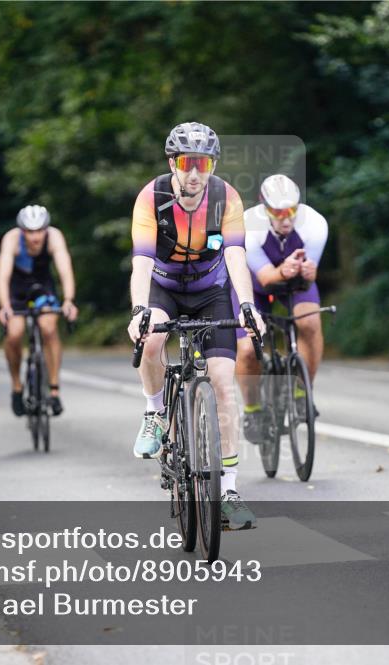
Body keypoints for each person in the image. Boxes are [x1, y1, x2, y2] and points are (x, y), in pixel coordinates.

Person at [127, 122, 264, 530]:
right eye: (187, 163)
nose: (194, 173)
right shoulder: (152, 198)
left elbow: (237, 257)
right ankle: (154, 413)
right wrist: (139, 310)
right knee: (151, 341)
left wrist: (247, 306)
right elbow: (142, 262)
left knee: (223, 383)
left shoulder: (226, 197)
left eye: (203, 164)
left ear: (212, 165)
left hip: (211, 290)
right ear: (173, 162)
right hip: (164, 289)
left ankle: (230, 493)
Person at [234, 174, 328, 444]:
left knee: (309, 324)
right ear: (265, 209)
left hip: (293, 282)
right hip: (255, 286)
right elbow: (265, 278)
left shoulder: (315, 223)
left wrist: (309, 272)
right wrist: (283, 270)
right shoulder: (249, 225)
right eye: (278, 212)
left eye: (291, 211)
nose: (286, 219)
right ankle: (252, 408)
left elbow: (309, 276)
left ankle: (302, 391)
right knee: (248, 351)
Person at [0, 204, 78, 418]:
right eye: (30, 231)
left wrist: (69, 300)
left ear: (46, 228)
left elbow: (65, 269)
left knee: (49, 327)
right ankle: (16, 387)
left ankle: (53, 389)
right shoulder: (11, 239)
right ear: (22, 231)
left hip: (42, 287)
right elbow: (3, 276)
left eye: (40, 230)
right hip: (17, 290)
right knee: (14, 334)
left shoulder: (54, 237)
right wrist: (5, 306)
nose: (35, 236)